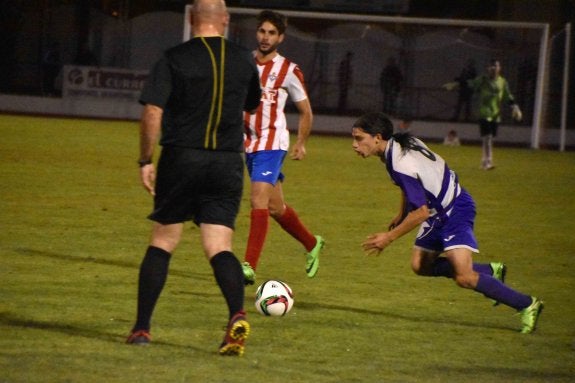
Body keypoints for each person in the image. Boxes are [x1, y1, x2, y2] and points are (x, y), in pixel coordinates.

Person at [125, 0, 261, 357]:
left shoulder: (174, 57)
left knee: (164, 240)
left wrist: (145, 159)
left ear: (190, 19)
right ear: (226, 21)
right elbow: (251, 104)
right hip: (226, 162)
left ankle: (141, 328)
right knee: (219, 246)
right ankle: (237, 314)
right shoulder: (244, 58)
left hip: (182, 157)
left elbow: (153, 111)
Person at [351, 112, 543, 334]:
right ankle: (490, 271)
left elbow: (420, 212)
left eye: (359, 138)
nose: (354, 145)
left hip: (454, 209)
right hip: (438, 210)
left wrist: (388, 238)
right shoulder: (399, 145)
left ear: (377, 137)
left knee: (464, 277)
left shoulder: (399, 162)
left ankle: (527, 304)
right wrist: (402, 213)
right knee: (420, 266)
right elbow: (414, 183)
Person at [241, 10, 325, 285]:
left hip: (273, 143)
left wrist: (301, 143)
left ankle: (248, 266)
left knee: (258, 200)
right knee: (276, 208)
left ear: (281, 37)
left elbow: (306, 112)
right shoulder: (244, 63)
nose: (265, 37)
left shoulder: (288, 70)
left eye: (271, 33)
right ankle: (312, 243)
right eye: (262, 31)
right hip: (250, 144)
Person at [444, 59, 522, 170]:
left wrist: (514, 107)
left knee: (490, 138)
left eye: (496, 66)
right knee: (488, 137)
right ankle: (487, 162)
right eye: (491, 67)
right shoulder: (483, 80)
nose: (493, 69)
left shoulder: (502, 82)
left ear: (499, 68)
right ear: (488, 69)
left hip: (495, 114)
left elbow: (507, 96)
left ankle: (484, 160)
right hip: (484, 113)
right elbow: (470, 83)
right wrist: (456, 84)